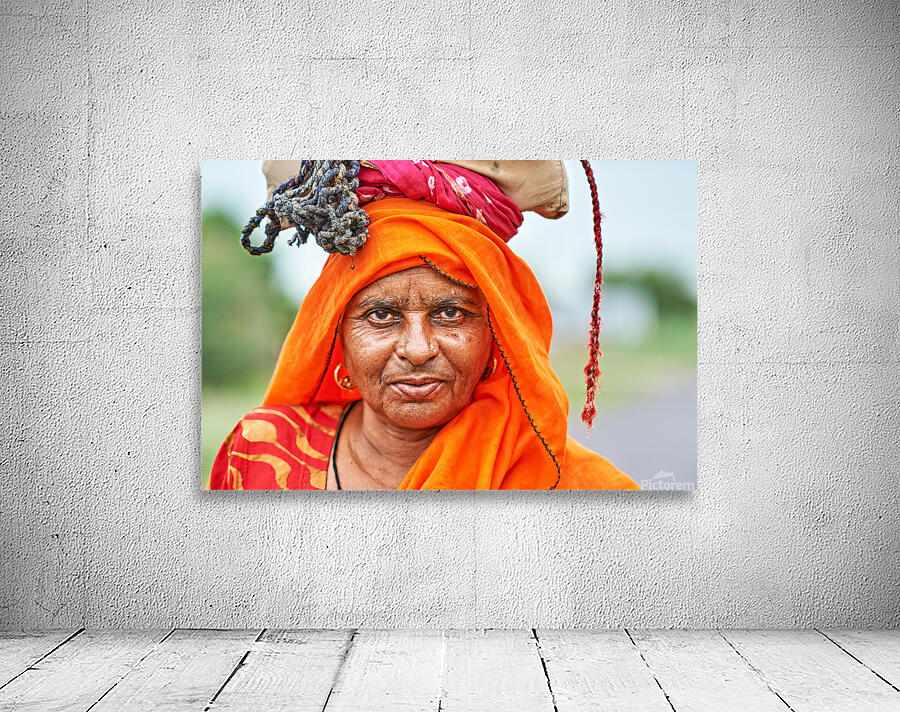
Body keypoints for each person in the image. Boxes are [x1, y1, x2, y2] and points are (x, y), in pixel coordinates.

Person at [208, 161, 640, 491]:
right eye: (381, 315)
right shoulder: (256, 452)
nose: (417, 350)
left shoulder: (585, 489)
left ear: (496, 337)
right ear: (337, 337)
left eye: (451, 313)